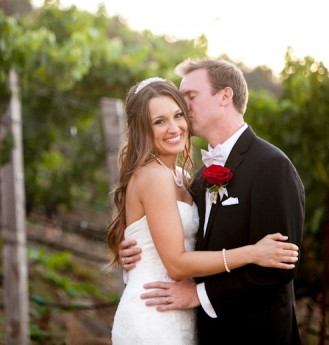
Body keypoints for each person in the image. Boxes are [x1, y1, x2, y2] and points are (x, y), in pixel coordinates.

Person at [119, 59, 305, 344]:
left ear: (225, 96)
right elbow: (176, 245)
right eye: (161, 119)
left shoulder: (270, 166)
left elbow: (277, 265)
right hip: (185, 323)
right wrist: (136, 253)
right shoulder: (198, 178)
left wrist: (199, 295)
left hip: (255, 335)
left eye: (190, 98)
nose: (184, 109)